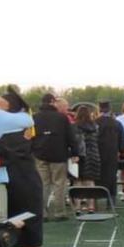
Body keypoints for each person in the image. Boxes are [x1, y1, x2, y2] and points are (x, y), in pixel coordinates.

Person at [0, 88, 45, 247]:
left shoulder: (17, 130)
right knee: (21, 226)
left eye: (0, 102)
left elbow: (6, 155)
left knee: (30, 225)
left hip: (25, 182)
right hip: (14, 181)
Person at [32, 93, 79, 221]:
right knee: (59, 184)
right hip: (58, 155)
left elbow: (30, 137)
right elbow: (71, 136)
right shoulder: (62, 118)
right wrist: (75, 152)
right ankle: (60, 212)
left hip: (40, 155)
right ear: (53, 102)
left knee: (43, 184)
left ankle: (42, 213)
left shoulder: (34, 117)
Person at [95, 101, 124, 200]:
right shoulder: (117, 124)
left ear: (99, 110)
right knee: (111, 177)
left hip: (97, 156)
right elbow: (123, 141)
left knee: (97, 177)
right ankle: (111, 202)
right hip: (112, 156)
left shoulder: (94, 123)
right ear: (110, 110)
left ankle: (95, 203)